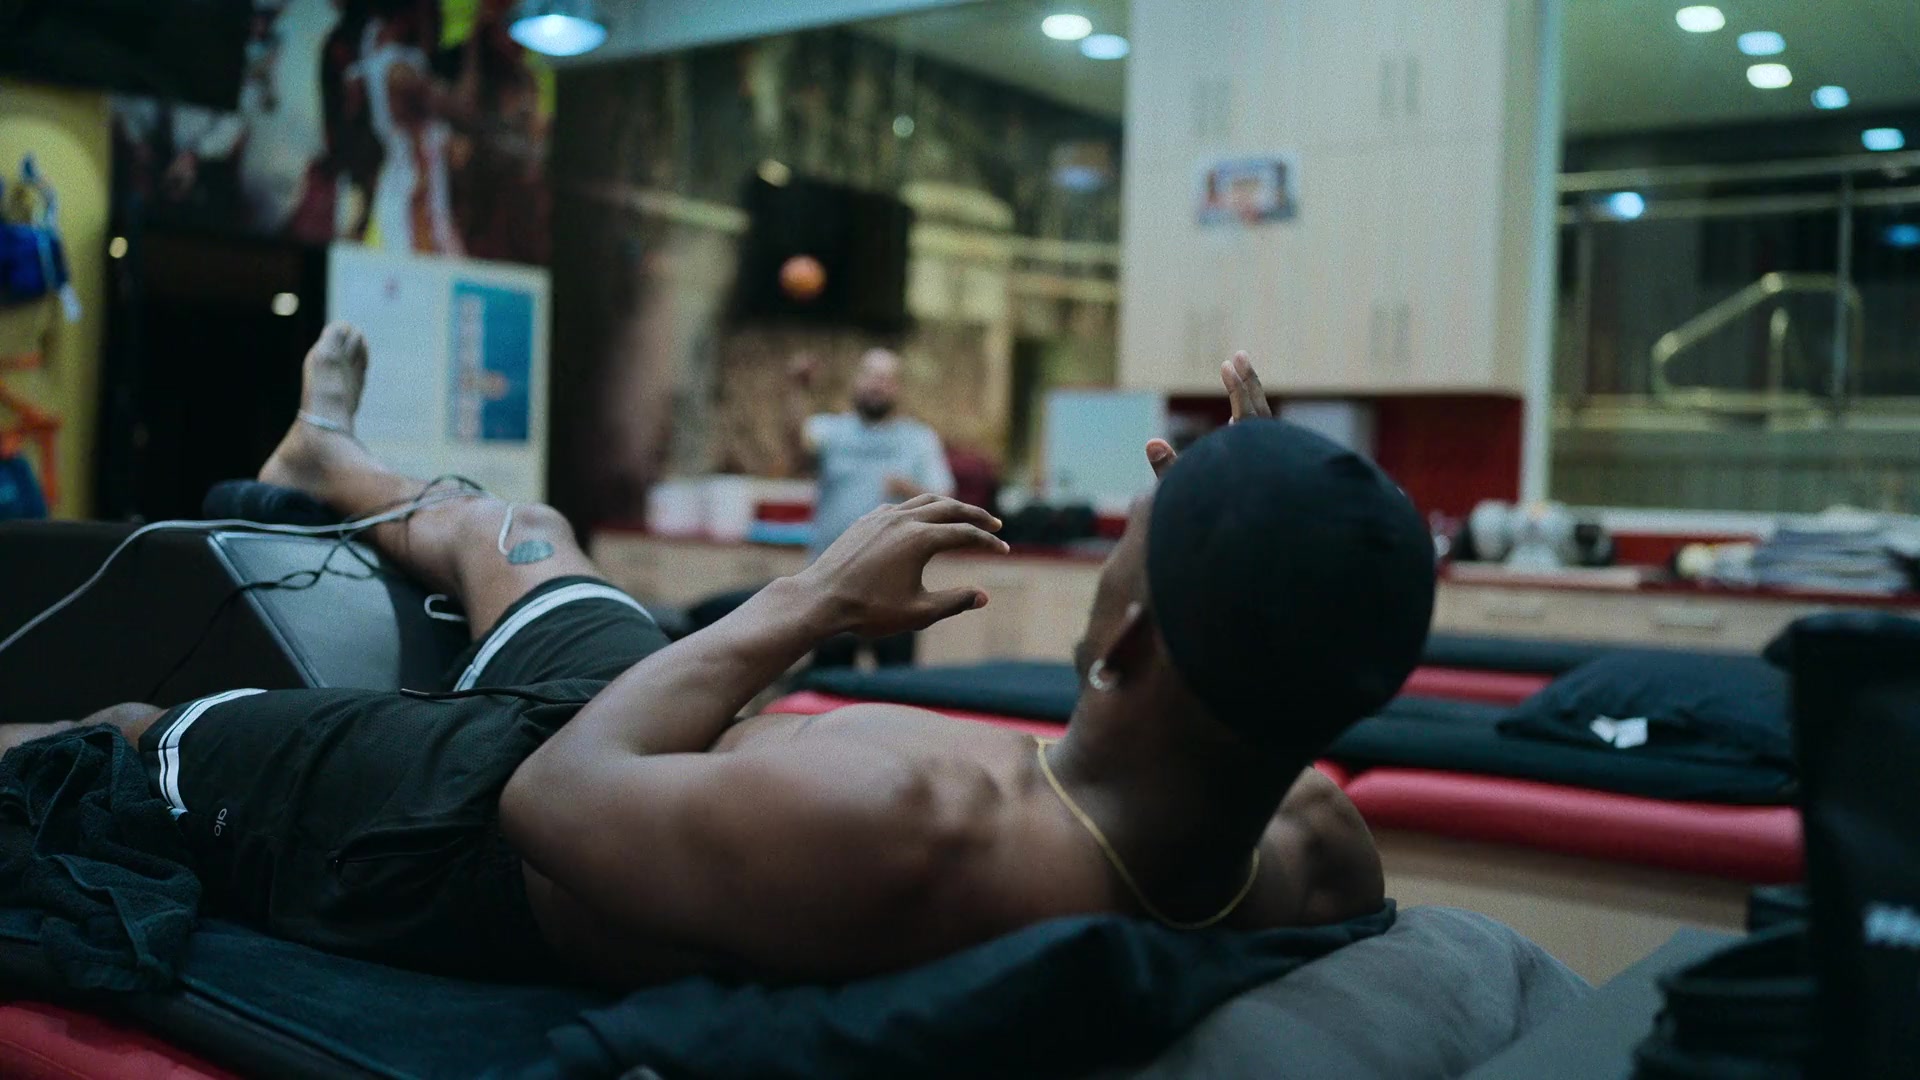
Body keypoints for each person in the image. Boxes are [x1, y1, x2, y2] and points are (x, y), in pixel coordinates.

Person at [0, 327, 1435, 989]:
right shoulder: (1314, 839)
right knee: (519, 532)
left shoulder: (916, 826)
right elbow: (1295, 644)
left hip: (484, 821)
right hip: (656, 736)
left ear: (1125, 633)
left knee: (131, 730)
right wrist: (1265, 526)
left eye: (1138, 538)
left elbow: (550, 798)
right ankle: (324, 456)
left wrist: (807, 601)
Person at [786, 347, 956, 668]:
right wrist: (797, 390)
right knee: (829, 679)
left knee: (894, 686)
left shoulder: (919, 439)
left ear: (899, 388)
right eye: (870, 375)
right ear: (856, 381)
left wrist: (909, 488)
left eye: (886, 378)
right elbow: (797, 450)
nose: (876, 385)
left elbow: (946, 502)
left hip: (894, 590)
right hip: (832, 583)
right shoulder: (831, 431)